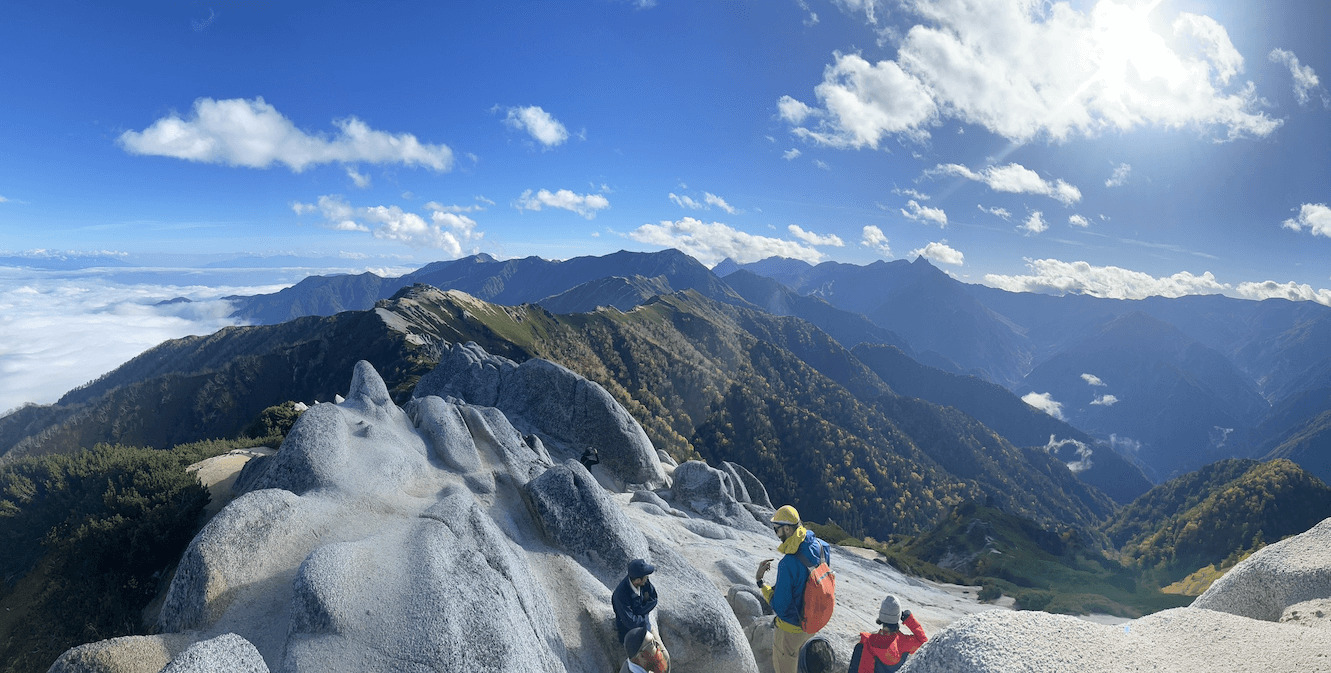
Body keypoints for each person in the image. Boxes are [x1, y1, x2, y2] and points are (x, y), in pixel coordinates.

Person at [756, 504, 832, 673]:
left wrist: (761, 583)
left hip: (791, 630)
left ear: (788, 530)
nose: (776, 533)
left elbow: (781, 607)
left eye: (777, 529)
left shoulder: (788, 564)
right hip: (814, 622)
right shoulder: (821, 547)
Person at [846, 595, 927, 673]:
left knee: (859, 648)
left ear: (881, 617)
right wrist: (909, 619)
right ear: (898, 617)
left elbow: (865, 669)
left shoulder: (869, 641)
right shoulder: (904, 642)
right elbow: (924, 642)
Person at [613, 558, 659, 641]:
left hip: (646, 626)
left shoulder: (644, 582)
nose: (647, 578)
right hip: (633, 637)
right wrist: (644, 614)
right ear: (638, 580)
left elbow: (654, 599)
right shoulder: (621, 595)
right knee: (655, 654)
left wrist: (638, 612)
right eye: (645, 577)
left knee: (665, 654)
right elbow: (631, 622)